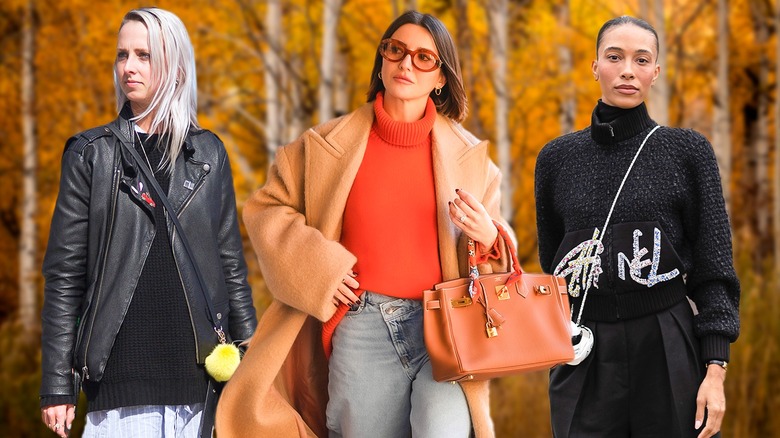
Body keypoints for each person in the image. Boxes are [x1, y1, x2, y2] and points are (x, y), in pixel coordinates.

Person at [216, 10, 512, 438]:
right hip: (364, 327)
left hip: (448, 330)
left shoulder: (473, 160)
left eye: (424, 58)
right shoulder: (325, 145)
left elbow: (500, 266)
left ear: (442, 77)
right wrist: (320, 268)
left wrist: (489, 238)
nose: (406, 64)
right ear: (382, 60)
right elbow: (266, 209)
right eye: (396, 50)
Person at [39, 7, 257, 438]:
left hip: (202, 385)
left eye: (144, 54)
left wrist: (254, 364)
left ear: (175, 67)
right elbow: (64, 276)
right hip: (121, 385)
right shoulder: (90, 154)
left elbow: (231, 265)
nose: (129, 67)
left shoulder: (208, 154)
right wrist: (56, 384)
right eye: (122, 55)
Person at [535, 15, 740, 438]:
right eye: (615, 56)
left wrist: (715, 371)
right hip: (584, 352)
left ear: (655, 72)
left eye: (641, 59)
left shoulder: (687, 151)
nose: (628, 69)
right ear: (595, 66)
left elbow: (714, 267)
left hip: (667, 344)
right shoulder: (555, 159)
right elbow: (555, 262)